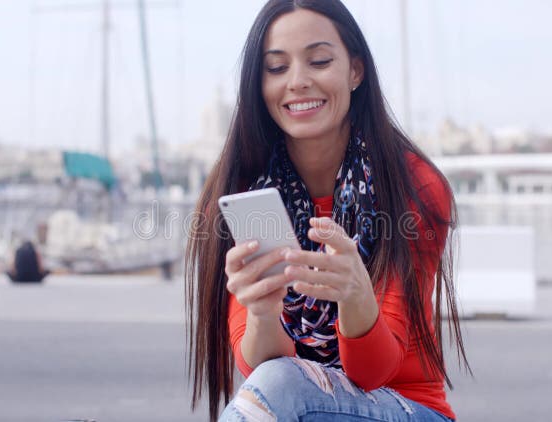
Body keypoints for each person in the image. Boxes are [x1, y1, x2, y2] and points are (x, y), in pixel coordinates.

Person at [185, 1, 470, 420]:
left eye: (318, 61)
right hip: (293, 403)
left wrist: (355, 295)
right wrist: (264, 310)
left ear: (355, 71)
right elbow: (262, 372)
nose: (298, 82)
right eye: (277, 68)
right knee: (277, 382)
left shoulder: (413, 184)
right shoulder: (241, 191)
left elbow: (374, 372)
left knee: (281, 387)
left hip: (406, 407)